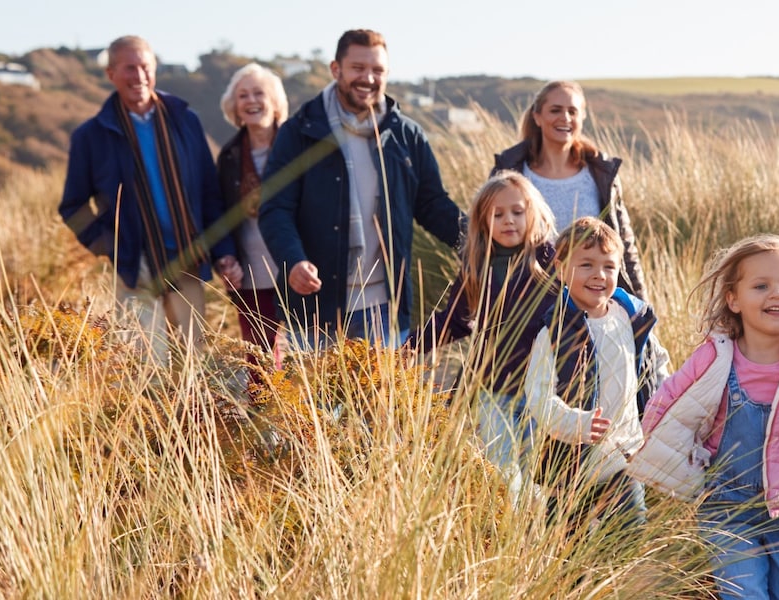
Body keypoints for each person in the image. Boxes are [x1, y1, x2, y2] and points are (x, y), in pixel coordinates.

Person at [627, 234, 779, 600]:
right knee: (744, 594)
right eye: (761, 286)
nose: (776, 294)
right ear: (733, 299)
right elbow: (666, 403)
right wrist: (664, 456)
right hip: (726, 505)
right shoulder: (714, 357)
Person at [258, 29, 465, 349]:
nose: (368, 78)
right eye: (358, 68)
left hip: (385, 309)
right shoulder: (299, 132)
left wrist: (480, 240)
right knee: (313, 386)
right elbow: (275, 208)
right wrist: (293, 260)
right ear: (335, 69)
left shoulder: (406, 135)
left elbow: (432, 204)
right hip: (315, 309)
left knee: (385, 386)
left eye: (377, 70)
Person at [59, 35, 241, 365]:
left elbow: (209, 192)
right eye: (129, 68)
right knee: (146, 367)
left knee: (192, 363)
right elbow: (73, 207)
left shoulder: (185, 120)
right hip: (135, 267)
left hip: (187, 259)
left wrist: (223, 251)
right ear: (111, 74)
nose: (139, 76)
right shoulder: (91, 136)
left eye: (145, 67)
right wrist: (112, 246)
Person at [411, 171, 559, 498]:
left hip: (544, 390)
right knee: (504, 474)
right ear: (482, 220)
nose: (509, 221)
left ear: (533, 213)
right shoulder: (478, 266)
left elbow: (580, 310)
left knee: (538, 475)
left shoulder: (551, 260)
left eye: (517, 212)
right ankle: (511, 525)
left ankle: (536, 527)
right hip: (494, 390)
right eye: (498, 214)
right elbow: (454, 321)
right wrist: (405, 349)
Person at [523, 217, 670, 534]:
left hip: (623, 458)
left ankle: (618, 564)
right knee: (566, 544)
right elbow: (537, 396)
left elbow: (656, 362)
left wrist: (663, 407)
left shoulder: (631, 318)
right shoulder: (554, 332)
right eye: (586, 264)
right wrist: (576, 423)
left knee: (630, 532)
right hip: (570, 464)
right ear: (561, 269)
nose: (599, 275)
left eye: (608, 266)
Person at [491, 81, 647, 299]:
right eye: (555, 110)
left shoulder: (601, 173)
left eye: (572, 111)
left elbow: (623, 244)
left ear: (582, 117)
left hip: (591, 301)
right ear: (537, 117)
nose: (565, 118)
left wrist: (641, 305)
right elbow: (485, 239)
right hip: (526, 301)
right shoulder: (510, 172)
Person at [216, 63, 288, 368]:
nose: (251, 100)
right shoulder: (229, 156)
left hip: (297, 269)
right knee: (260, 364)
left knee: (311, 358)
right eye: (243, 95)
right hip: (251, 274)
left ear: (275, 101)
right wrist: (225, 258)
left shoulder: (297, 147)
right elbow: (220, 214)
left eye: (259, 93)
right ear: (235, 108)